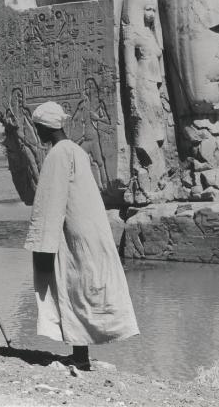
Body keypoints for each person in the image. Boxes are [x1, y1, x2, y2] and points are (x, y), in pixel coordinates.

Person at [24, 101, 139, 370]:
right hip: (89, 231)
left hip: (72, 235)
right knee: (80, 289)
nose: (37, 134)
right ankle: (80, 354)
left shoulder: (57, 155)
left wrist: (43, 245)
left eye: (38, 128)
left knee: (72, 288)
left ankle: (80, 356)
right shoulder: (75, 150)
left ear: (43, 127)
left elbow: (50, 203)